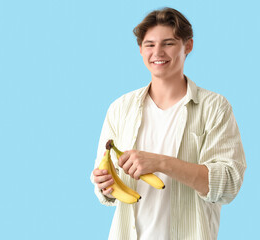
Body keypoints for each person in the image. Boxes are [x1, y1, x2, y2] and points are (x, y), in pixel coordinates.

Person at [90, 7, 246, 240]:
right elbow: (107, 195)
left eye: (169, 43)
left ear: (188, 46)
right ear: (141, 50)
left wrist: (161, 162)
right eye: (149, 45)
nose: (157, 52)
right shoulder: (120, 109)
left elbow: (228, 184)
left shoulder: (215, 107)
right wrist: (104, 185)